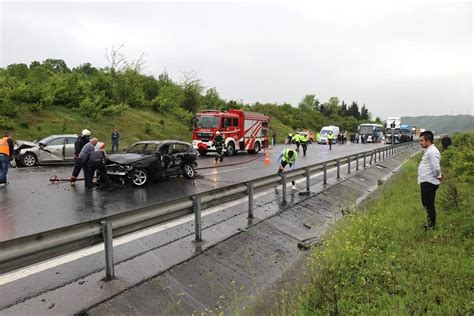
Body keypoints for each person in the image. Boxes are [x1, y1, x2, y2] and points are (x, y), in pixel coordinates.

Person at [418, 131, 442, 230]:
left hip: (430, 182)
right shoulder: (428, 150)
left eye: (422, 140)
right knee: (426, 203)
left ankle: (431, 226)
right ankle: (430, 223)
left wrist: (439, 176)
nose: (420, 142)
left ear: (428, 141)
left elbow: (435, 167)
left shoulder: (432, 152)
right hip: (426, 180)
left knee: (429, 204)